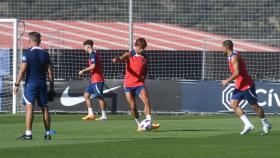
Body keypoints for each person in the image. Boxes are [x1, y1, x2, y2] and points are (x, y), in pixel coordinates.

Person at [221, 40, 272, 135]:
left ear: (226, 48)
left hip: (246, 85)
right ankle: (248, 124)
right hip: (239, 85)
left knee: (255, 107)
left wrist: (227, 80)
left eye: (222, 48)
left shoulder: (233, 57)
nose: (221, 50)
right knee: (233, 104)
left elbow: (237, 73)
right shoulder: (232, 55)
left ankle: (266, 124)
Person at [112, 38, 160, 131]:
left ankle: (149, 122)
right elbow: (121, 58)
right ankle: (139, 124)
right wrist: (116, 60)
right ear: (136, 46)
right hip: (128, 84)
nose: (142, 50)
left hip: (139, 83)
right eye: (141, 48)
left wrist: (144, 78)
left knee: (146, 100)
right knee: (133, 106)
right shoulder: (129, 54)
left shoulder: (145, 57)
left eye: (143, 48)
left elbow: (145, 69)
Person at [14, 32, 54, 140]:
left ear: (30, 41)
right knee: (45, 107)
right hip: (42, 84)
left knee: (29, 107)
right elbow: (50, 71)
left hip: (31, 84)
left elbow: (22, 70)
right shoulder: (45, 54)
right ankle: (47, 134)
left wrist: (16, 84)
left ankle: (28, 134)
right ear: (39, 41)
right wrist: (52, 86)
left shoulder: (27, 53)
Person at [79, 40, 107, 121]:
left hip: (98, 79)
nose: (83, 48)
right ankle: (91, 114)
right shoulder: (94, 54)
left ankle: (104, 115)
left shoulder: (93, 55)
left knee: (99, 97)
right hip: (93, 80)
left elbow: (93, 66)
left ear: (88, 46)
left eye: (84, 46)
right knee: (86, 95)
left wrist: (83, 70)